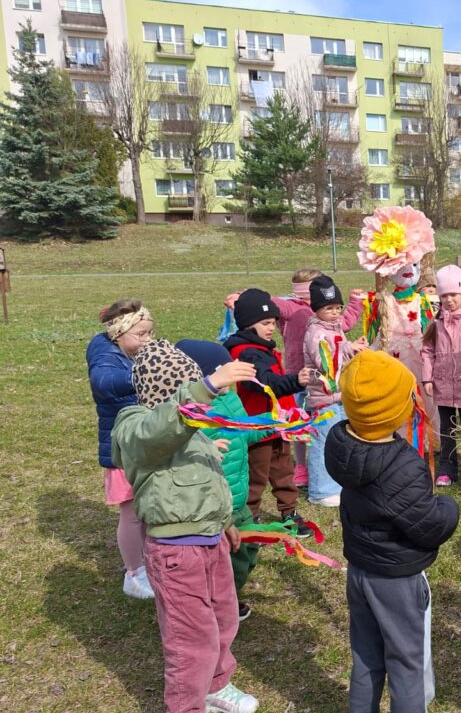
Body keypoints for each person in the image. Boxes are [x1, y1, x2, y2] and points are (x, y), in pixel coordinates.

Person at [111, 339, 260, 713]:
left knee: (223, 619)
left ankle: (216, 686)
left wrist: (225, 521)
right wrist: (206, 387)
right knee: (191, 639)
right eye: (188, 394)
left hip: (212, 542)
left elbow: (208, 483)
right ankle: (186, 706)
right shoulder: (134, 426)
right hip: (177, 553)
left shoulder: (191, 430)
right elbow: (156, 435)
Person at [324, 350, 460, 713]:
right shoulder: (402, 467)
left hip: (360, 571)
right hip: (396, 579)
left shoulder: (341, 443)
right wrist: (449, 507)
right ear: (399, 410)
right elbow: (429, 526)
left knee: (366, 656)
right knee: (406, 662)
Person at [226, 268, 363, 488]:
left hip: (320, 378)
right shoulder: (292, 307)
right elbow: (270, 305)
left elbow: (344, 323)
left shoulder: (325, 315)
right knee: (298, 423)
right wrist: (246, 298)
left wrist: (355, 302)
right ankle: (301, 465)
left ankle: (314, 468)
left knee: (317, 424)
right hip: (296, 376)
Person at [177, 339, 266, 622]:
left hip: (239, 498)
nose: (228, 382)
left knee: (248, 552)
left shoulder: (231, 398)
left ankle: (227, 596)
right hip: (215, 504)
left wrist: (274, 423)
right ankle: (221, 604)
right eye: (221, 376)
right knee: (226, 562)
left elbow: (244, 432)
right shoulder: (193, 412)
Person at [223, 288, 314, 537]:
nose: (271, 327)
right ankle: (249, 519)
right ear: (249, 324)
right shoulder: (247, 353)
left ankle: (289, 513)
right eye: (265, 323)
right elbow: (266, 383)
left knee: (283, 470)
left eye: (273, 322)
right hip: (258, 426)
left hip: (276, 425)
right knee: (255, 475)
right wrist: (296, 380)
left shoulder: (261, 348)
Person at [86, 298, 154, 599]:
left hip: (141, 444)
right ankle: (134, 574)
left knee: (147, 509)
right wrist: (147, 374)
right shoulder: (106, 358)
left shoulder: (131, 352)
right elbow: (104, 383)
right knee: (131, 514)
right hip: (121, 450)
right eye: (141, 334)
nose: (147, 339)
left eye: (150, 332)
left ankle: (149, 564)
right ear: (118, 333)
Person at [303, 275, 368, 507]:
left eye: (337, 307)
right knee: (322, 443)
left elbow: (344, 333)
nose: (335, 312)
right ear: (317, 309)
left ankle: (339, 484)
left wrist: (352, 346)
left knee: (340, 440)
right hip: (323, 399)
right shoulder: (316, 333)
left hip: (340, 396)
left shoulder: (334, 326)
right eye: (328, 308)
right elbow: (325, 362)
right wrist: (349, 347)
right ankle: (320, 491)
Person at [420, 265, 461, 487]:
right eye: (444, 295)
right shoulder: (437, 322)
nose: (449, 300)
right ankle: (447, 468)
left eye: (454, 295)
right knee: (446, 429)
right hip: (443, 384)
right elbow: (427, 350)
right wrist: (427, 378)